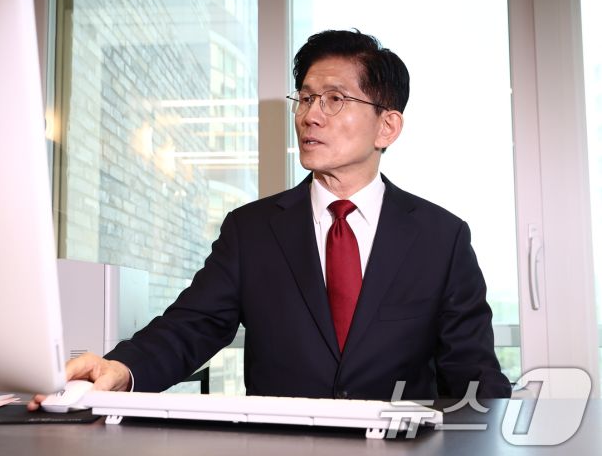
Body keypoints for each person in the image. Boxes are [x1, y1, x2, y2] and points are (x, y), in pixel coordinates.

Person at [29, 29, 511, 410]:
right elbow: (191, 325)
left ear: (387, 126)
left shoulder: (441, 238)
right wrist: (121, 368)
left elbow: (472, 373)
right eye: (305, 98)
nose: (310, 116)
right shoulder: (252, 230)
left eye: (335, 99)